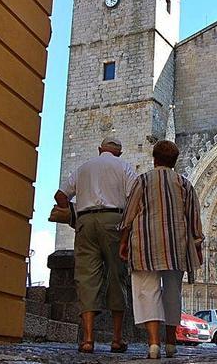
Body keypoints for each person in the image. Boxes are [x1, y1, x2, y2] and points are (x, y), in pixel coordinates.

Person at [119, 140, 204, 359]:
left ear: (154, 158)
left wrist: (124, 242)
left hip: (145, 246)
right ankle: (171, 342)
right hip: (176, 248)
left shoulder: (143, 181)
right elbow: (194, 219)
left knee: (148, 292)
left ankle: (153, 344)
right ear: (175, 162)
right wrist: (198, 246)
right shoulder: (185, 184)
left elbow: (129, 215)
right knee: (172, 293)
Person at [54, 137, 137, 354]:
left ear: (99, 150)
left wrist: (73, 215)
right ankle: (117, 339)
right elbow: (136, 197)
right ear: (119, 153)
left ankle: (88, 339)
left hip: (85, 222)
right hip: (114, 220)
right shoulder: (124, 167)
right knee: (116, 277)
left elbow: (60, 195)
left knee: (86, 279)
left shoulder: (84, 168)